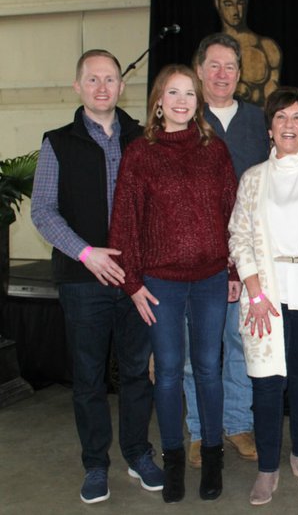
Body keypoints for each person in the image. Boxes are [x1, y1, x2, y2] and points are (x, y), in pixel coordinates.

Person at [30, 49, 163, 504]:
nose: (102, 87)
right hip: (83, 280)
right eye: (93, 80)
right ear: (78, 86)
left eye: (110, 79)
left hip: (135, 281)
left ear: (122, 86)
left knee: (135, 374)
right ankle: (95, 464)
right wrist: (86, 253)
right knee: (88, 377)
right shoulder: (57, 142)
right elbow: (43, 211)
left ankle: (137, 453)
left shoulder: (144, 139)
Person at [108, 64, 239, 503]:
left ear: (197, 101)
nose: (182, 101)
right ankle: (174, 459)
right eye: (173, 93)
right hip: (160, 282)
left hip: (209, 280)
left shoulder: (214, 151)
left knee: (208, 368)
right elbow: (124, 223)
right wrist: (132, 284)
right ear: (158, 101)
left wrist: (235, 271)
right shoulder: (139, 154)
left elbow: (233, 216)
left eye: (189, 94)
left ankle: (214, 457)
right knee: (166, 372)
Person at [228, 87, 298, 505]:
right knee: (268, 382)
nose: (288, 125)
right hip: (267, 295)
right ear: (269, 128)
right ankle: (268, 468)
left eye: (296, 118)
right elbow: (238, 235)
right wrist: (253, 290)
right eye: (281, 118)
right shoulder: (253, 178)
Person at [182, 32, 268, 469]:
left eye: (230, 67)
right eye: (213, 66)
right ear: (198, 71)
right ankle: (200, 429)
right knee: (199, 349)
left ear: (240, 74)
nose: (221, 74)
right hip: (197, 259)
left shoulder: (257, 120)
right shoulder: (184, 118)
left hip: (249, 257)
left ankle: (237, 423)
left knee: (242, 344)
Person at [213, 0, 282, 105]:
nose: (235, 10)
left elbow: (272, 102)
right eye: (228, 4)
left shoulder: (267, 48)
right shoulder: (207, 53)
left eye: (240, 3)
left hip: (257, 122)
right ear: (217, 3)